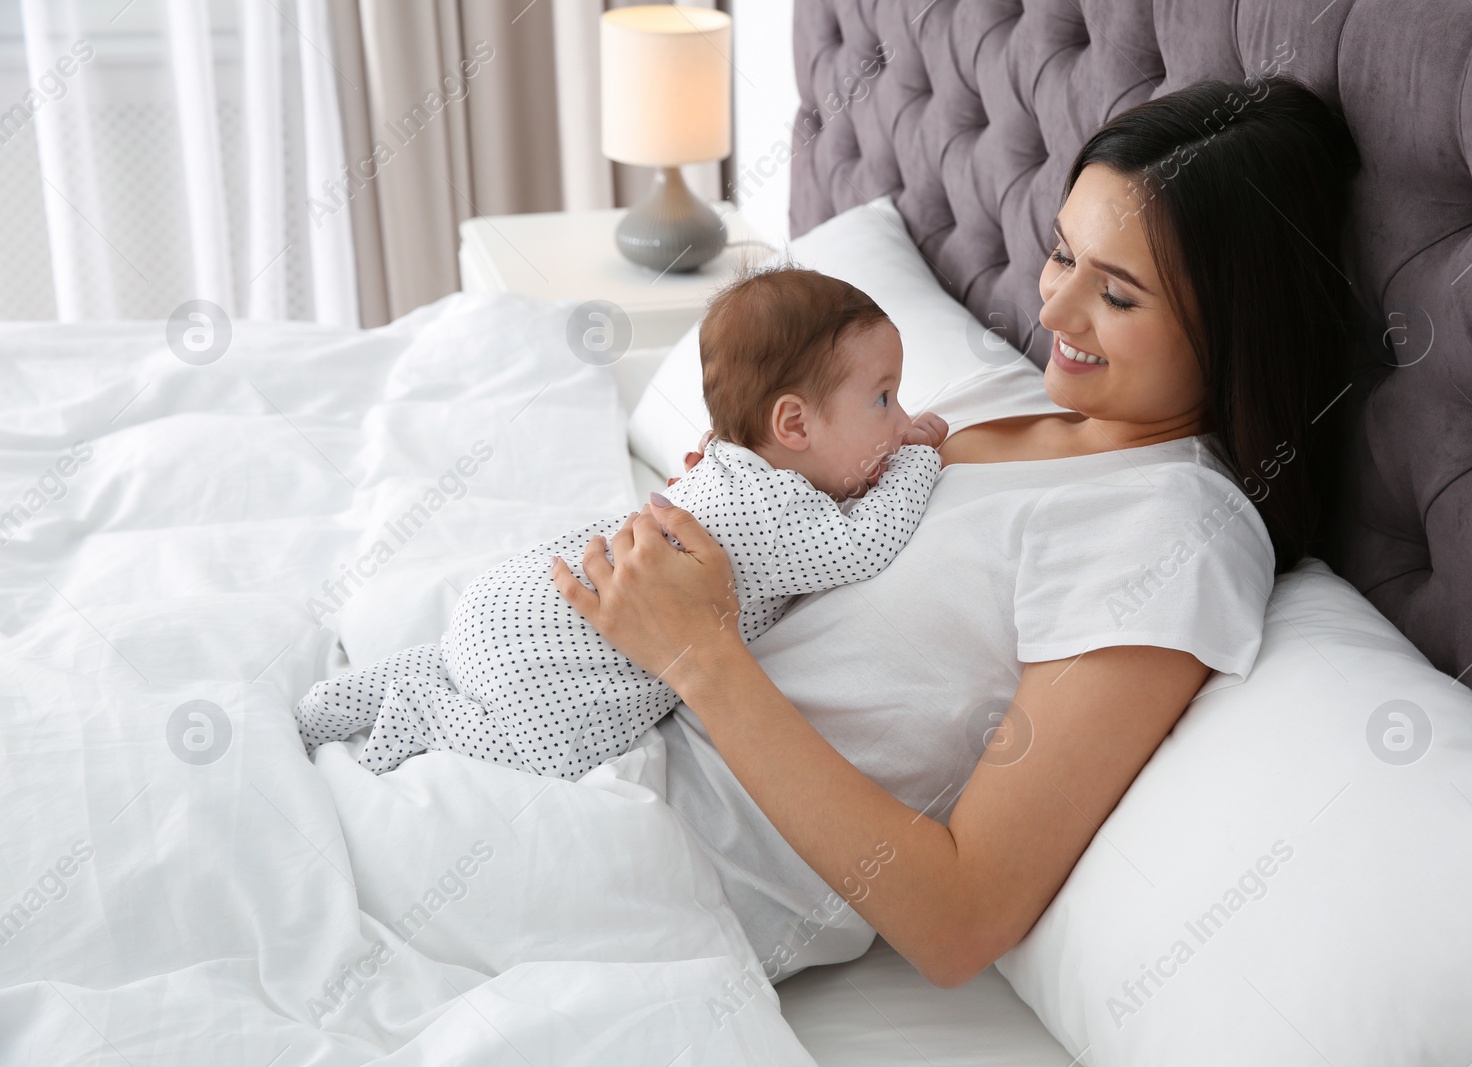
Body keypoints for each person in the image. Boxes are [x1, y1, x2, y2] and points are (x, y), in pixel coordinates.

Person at [549, 74, 1361, 987]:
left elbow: (962, 918)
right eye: (1063, 255)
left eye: (1120, 297)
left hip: (661, 856)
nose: (1052, 311)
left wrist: (698, 655)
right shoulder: (1012, 417)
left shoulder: (1178, 533)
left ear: (1237, 326)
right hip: (590, 732)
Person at [295, 266, 949, 781]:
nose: (899, 418)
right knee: (545, 750)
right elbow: (867, 543)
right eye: (883, 398)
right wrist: (921, 454)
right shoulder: (781, 515)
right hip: (554, 656)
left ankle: (347, 698)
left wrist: (887, 438)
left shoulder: (722, 463)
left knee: (449, 660)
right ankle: (421, 713)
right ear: (794, 424)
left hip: (516, 597)